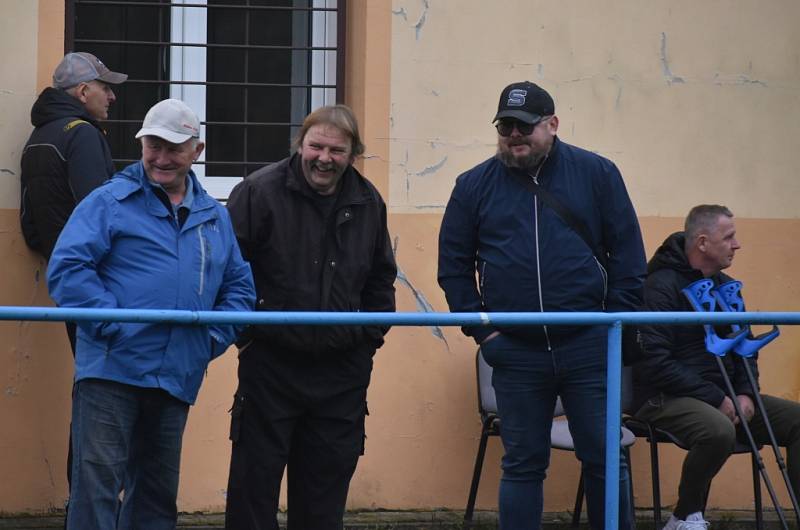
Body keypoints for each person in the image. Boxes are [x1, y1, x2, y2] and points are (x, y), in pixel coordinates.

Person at [438, 81, 646, 530]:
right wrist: (486, 335)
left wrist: (613, 328)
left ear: (552, 124)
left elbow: (629, 259)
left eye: (525, 126)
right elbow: (453, 270)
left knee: (606, 460)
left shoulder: (598, 174)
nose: (514, 135)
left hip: (589, 345)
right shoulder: (473, 186)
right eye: (505, 126)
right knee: (522, 464)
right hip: (514, 350)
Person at [46, 98, 256, 530]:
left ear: (197, 151)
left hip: (176, 374)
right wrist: (112, 325)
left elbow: (239, 290)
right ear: (141, 145)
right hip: (111, 371)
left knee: (156, 496)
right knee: (96, 491)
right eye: (153, 146)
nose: (161, 158)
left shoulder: (215, 217)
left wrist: (207, 342)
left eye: (173, 148)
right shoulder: (109, 201)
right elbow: (68, 268)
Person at [224, 104, 397, 530]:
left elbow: (380, 281)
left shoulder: (368, 201)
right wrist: (246, 336)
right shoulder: (259, 192)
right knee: (252, 492)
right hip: (271, 367)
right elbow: (230, 272)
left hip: (342, 374)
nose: (324, 158)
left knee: (323, 499)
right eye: (316, 145)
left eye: (336, 150)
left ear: (353, 153)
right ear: (299, 144)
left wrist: (366, 342)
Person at [632, 204, 800, 530]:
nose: (737, 245)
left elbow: (746, 350)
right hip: (663, 396)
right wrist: (717, 398)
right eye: (729, 237)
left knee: (798, 422)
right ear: (703, 243)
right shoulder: (659, 287)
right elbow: (655, 361)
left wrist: (746, 393)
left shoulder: (726, 286)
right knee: (718, 430)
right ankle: (685, 516)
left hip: (726, 397)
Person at [20, 51, 126, 350]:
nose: (112, 96)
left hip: (65, 275)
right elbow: (100, 212)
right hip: (98, 276)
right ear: (83, 91)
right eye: (105, 88)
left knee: (88, 369)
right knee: (108, 373)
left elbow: (29, 223)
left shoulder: (38, 136)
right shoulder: (82, 135)